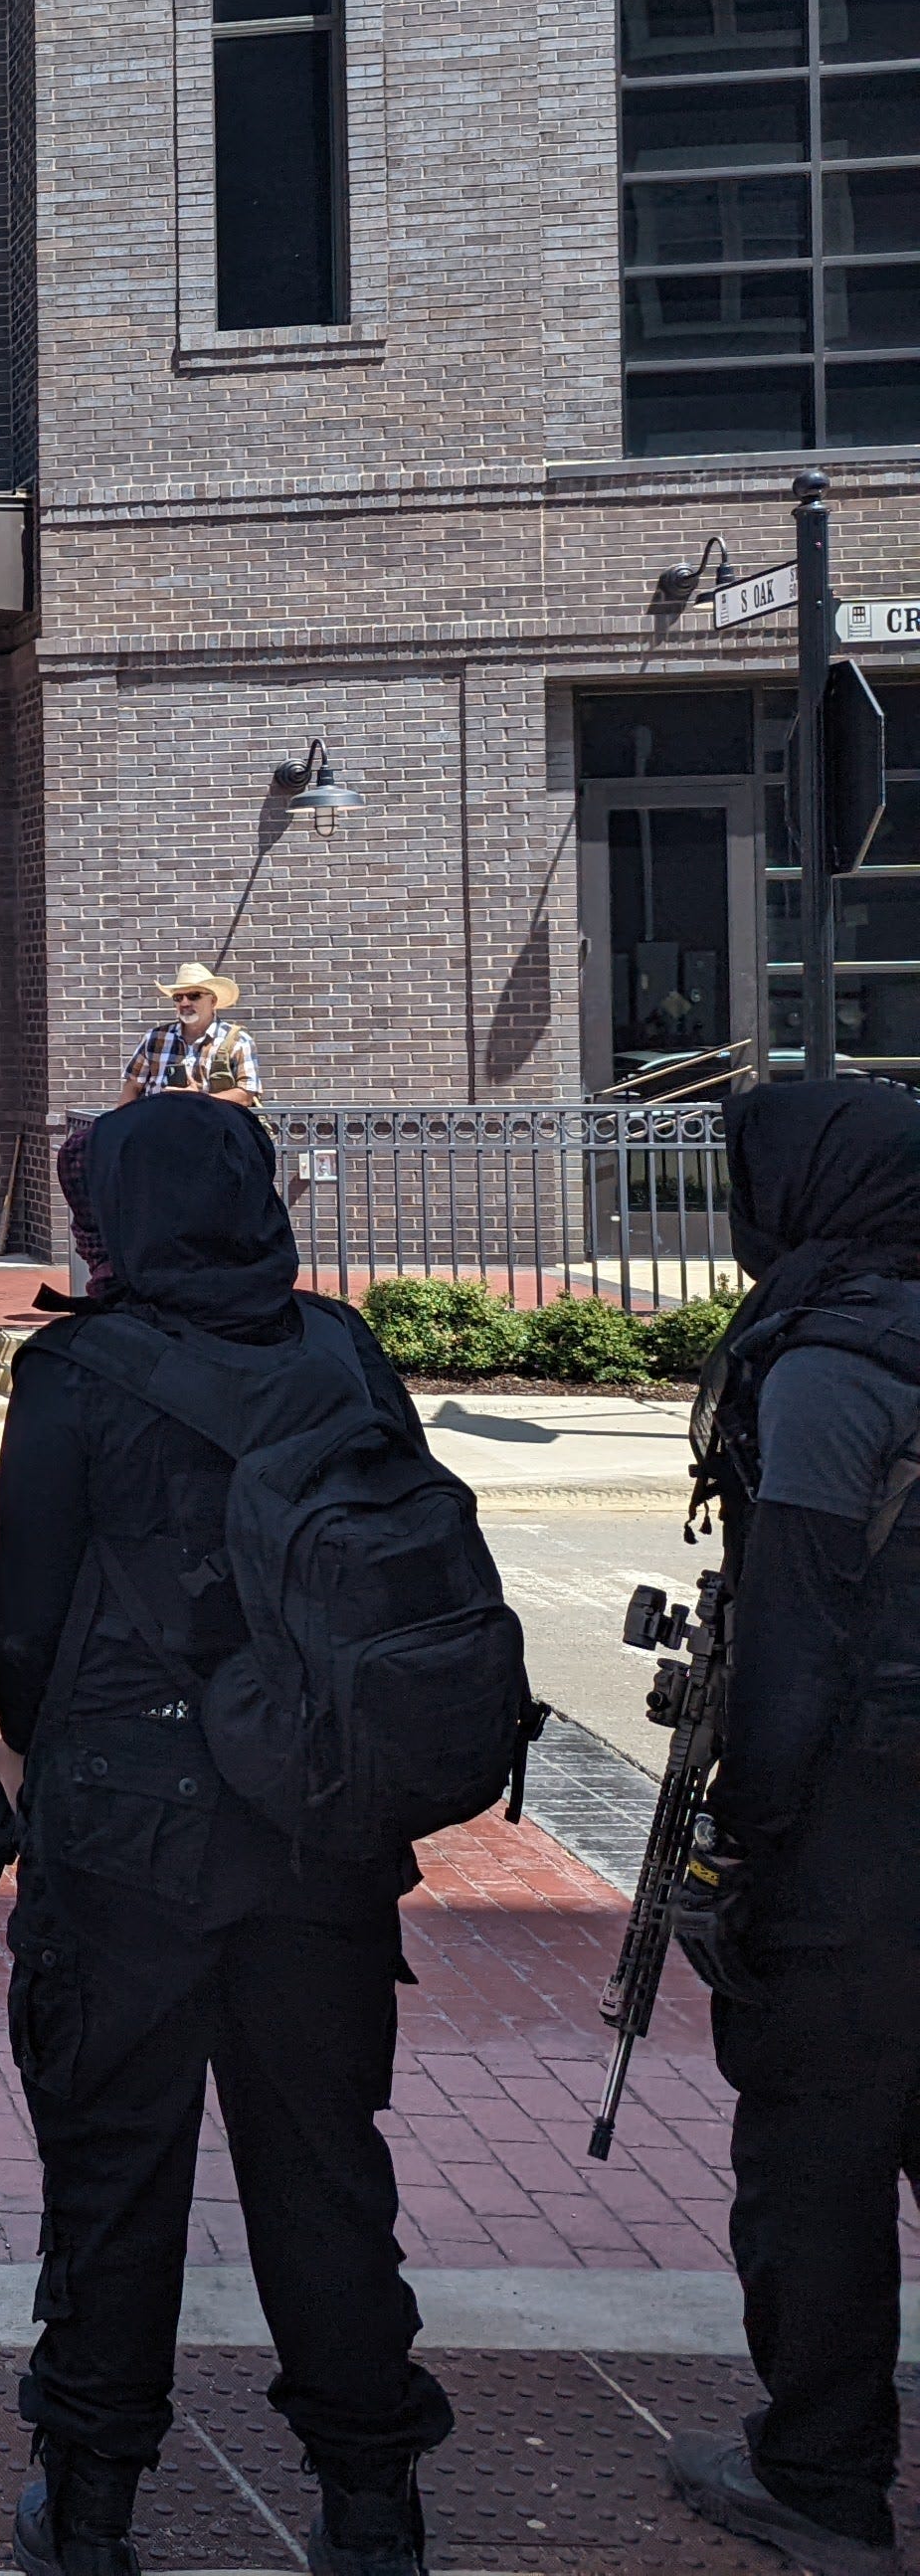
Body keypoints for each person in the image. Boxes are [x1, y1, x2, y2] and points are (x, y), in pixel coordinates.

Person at [0, 1096, 455, 2576]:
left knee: (117, 2171)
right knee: (323, 2169)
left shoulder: (74, 1370)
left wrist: (26, 1749)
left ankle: (95, 2502)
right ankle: (372, 2505)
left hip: (128, 1829)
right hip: (319, 1820)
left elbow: (23, 1623)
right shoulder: (341, 1348)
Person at [656, 1077, 920, 2575]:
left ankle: (821, 2477)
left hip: (861, 1832)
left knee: (815, 2158)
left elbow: (794, 1646)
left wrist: (743, 1849)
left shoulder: (833, 1371)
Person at [126, 966, 262, 1106]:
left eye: (194, 996)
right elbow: (133, 1085)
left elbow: (245, 1095)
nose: (184, 1003)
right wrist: (120, 1123)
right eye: (178, 997)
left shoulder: (238, 1041)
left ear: (213, 1001)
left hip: (213, 1125)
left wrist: (199, 1099)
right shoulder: (154, 1038)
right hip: (159, 1125)